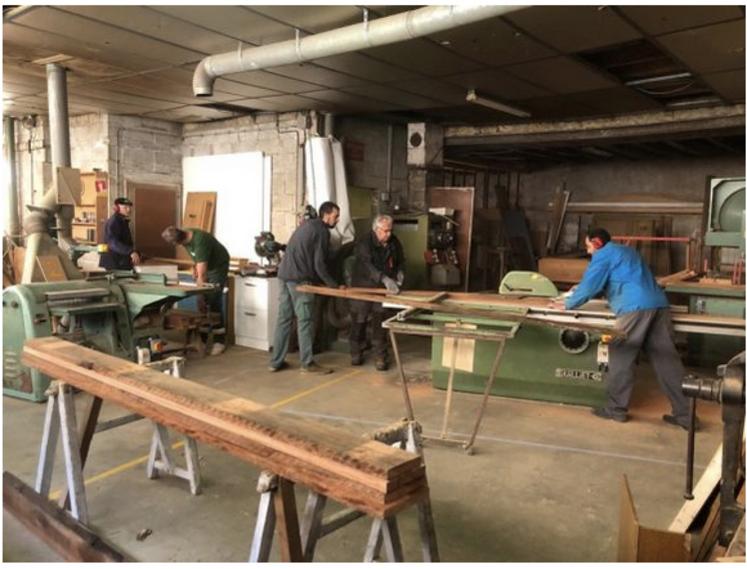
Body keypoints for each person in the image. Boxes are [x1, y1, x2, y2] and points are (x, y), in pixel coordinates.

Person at [551, 228, 695, 430]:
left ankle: (615, 410)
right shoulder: (628, 251)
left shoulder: (603, 255)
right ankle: (686, 415)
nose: (589, 252)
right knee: (667, 360)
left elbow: (591, 285)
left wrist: (567, 303)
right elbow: (621, 279)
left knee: (620, 353)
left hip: (634, 308)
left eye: (588, 246)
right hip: (658, 305)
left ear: (597, 242)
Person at [269, 201, 341, 375]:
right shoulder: (322, 232)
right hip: (300, 280)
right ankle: (307, 363)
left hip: (284, 275)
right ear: (326, 214)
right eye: (336, 216)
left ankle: (275, 362)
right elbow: (319, 264)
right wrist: (334, 285)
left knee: (284, 319)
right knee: (305, 321)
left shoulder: (307, 225)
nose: (338, 219)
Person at [161, 226, 230, 356]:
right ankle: (202, 339)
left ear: (178, 241)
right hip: (207, 265)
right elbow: (197, 258)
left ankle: (219, 341)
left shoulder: (200, 241)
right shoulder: (185, 235)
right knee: (202, 307)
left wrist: (200, 296)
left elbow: (202, 275)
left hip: (217, 267)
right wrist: (195, 267)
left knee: (212, 300)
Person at [349, 214, 405, 371]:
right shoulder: (364, 242)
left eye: (390, 231)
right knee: (359, 320)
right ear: (376, 229)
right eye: (385, 231)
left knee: (380, 321)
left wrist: (400, 273)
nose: (389, 234)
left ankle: (380, 356)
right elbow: (367, 266)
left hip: (381, 289)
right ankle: (356, 352)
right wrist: (385, 279)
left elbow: (401, 260)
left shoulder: (393, 242)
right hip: (363, 286)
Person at [99, 197, 141, 270]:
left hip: (120, 261)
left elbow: (124, 241)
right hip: (114, 262)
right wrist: (130, 252)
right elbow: (113, 243)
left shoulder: (122, 221)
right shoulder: (114, 221)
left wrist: (136, 252)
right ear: (117, 208)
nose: (129, 210)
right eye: (125, 207)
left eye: (129, 207)